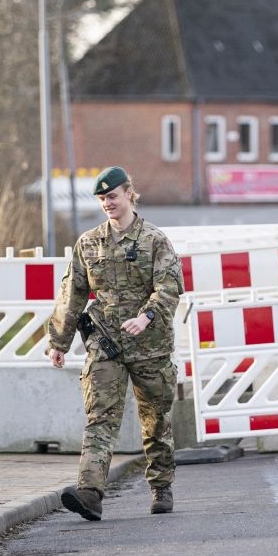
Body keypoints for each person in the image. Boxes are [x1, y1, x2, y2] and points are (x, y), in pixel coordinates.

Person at [46, 166, 183, 521]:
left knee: (155, 421)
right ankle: (90, 492)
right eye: (102, 198)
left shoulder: (155, 240)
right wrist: (58, 341)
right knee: (99, 418)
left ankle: (161, 487)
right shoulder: (89, 243)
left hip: (150, 346)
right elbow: (71, 293)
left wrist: (147, 316)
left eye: (112, 196)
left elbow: (168, 288)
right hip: (105, 345)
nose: (107, 203)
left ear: (129, 194)